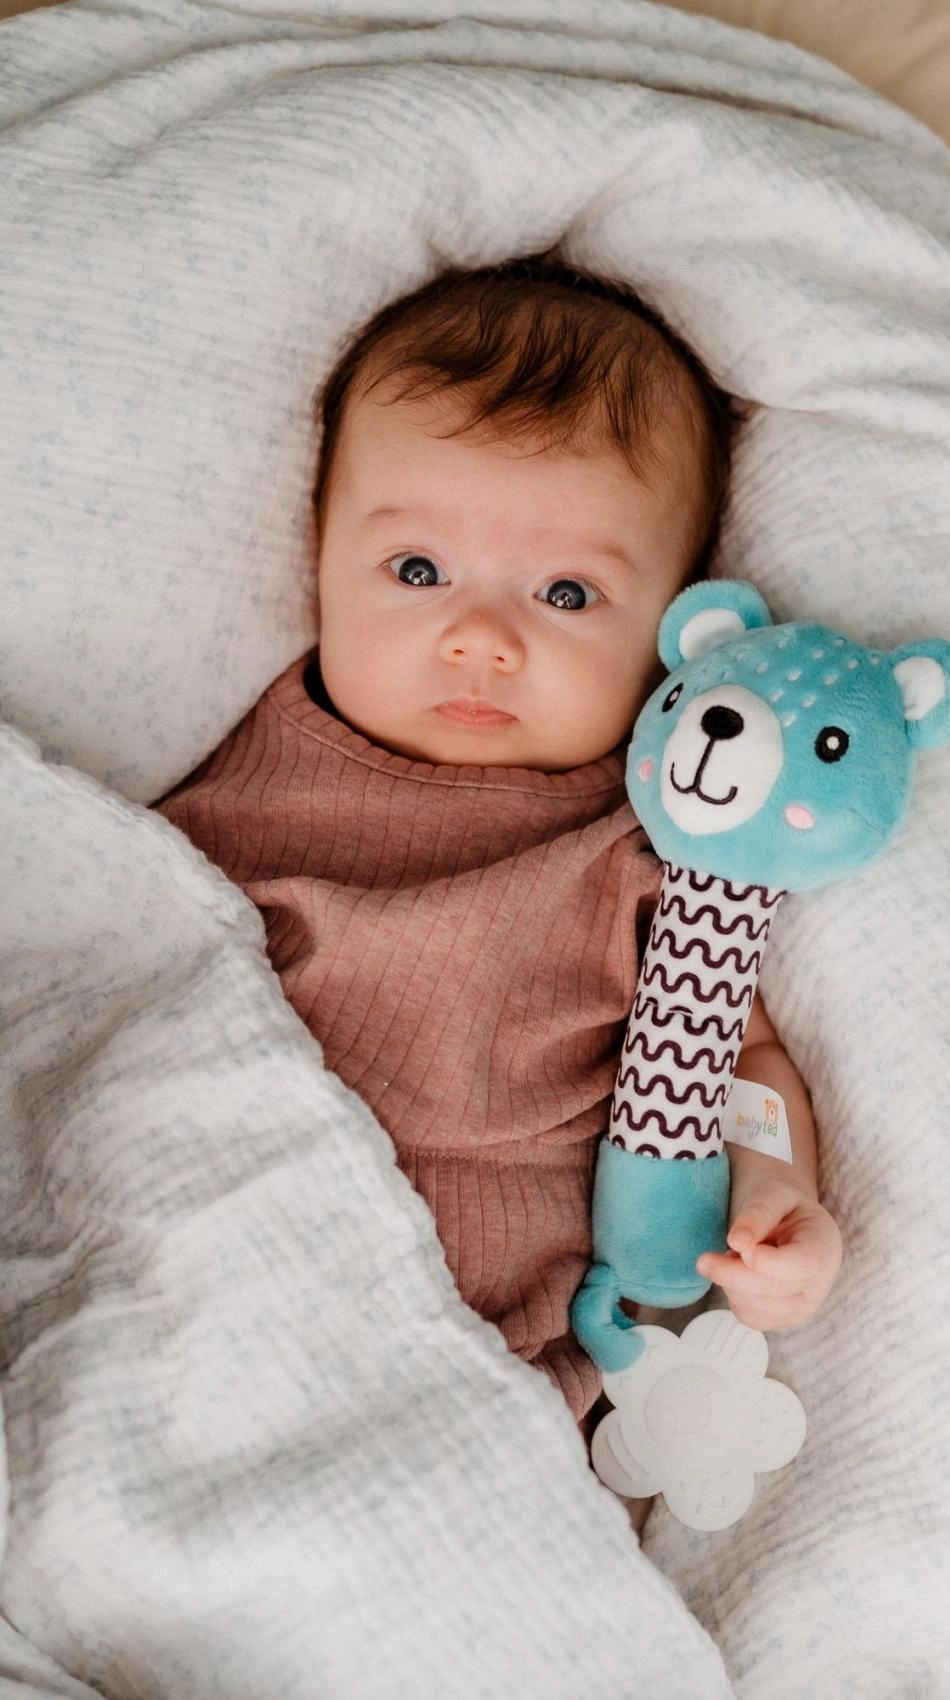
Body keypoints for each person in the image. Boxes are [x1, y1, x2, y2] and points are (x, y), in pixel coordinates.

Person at [155, 253, 842, 1500]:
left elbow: (735, 1051)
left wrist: (779, 1187)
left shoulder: (649, 841)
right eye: (416, 571)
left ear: (675, 633)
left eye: (567, 592)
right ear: (315, 561)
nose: (481, 636)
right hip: (206, 1247)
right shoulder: (236, 776)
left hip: (488, 1348)